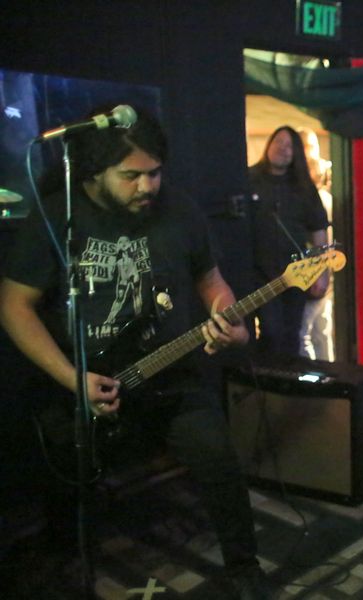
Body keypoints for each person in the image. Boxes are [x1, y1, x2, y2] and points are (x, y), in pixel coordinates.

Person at [0, 107, 270, 598]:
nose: (147, 186)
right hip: (85, 381)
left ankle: (244, 566)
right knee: (68, 479)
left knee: (218, 459)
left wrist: (227, 319)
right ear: (94, 172)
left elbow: (212, 281)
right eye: (131, 176)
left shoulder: (181, 210)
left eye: (155, 173)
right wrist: (72, 378)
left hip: (170, 370)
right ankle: (67, 564)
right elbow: (14, 305)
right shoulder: (58, 216)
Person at [249, 126, 329, 356]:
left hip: (296, 275)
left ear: (296, 153)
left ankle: (289, 377)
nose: (282, 149)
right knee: (271, 331)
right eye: (278, 142)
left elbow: (319, 232)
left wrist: (322, 273)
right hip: (260, 275)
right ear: (268, 145)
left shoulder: (303, 187)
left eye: (289, 146)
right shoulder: (249, 179)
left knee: (292, 333)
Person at [297, 128, 335, 361]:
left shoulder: (316, 199)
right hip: (327, 270)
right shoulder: (325, 198)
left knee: (305, 333)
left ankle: (314, 374)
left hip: (316, 272)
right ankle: (329, 371)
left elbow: (321, 240)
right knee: (322, 330)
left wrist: (320, 273)